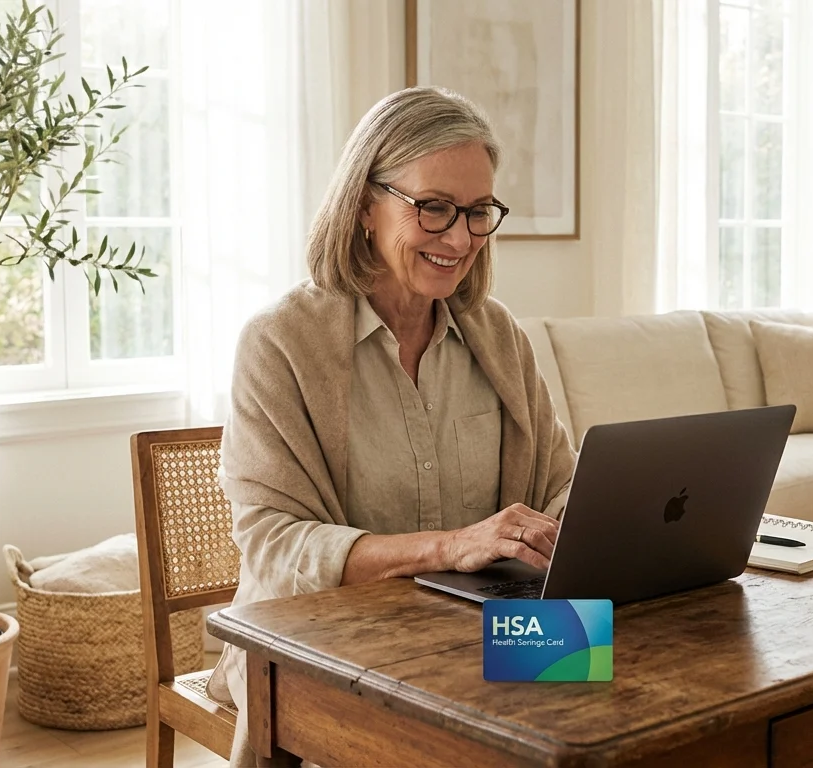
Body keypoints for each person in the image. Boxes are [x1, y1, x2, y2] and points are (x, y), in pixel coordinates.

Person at [207, 86, 576, 767]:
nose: (460, 238)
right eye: (434, 209)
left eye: (477, 212)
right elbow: (274, 546)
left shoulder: (500, 337)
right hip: (323, 647)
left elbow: (561, 484)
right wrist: (448, 547)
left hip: (480, 632)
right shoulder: (279, 343)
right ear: (364, 207)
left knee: (618, 703)